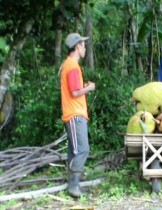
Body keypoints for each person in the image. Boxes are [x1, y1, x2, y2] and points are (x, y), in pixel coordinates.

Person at [60, 33, 95, 198]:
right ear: (77, 47)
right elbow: (74, 92)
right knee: (82, 150)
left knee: (74, 151)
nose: (85, 48)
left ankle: (74, 185)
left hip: (75, 114)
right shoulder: (72, 66)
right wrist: (89, 88)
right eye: (83, 45)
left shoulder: (70, 65)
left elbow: (74, 89)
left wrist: (84, 87)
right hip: (75, 114)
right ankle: (73, 186)